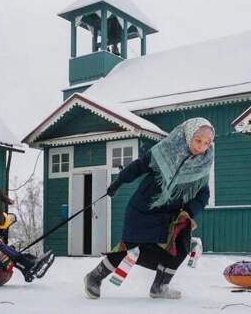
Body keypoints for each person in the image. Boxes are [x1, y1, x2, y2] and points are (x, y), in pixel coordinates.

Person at [84, 118, 215, 300]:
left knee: (181, 245)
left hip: (172, 215)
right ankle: (94, 277)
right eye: (198, 140)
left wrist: (190, 211)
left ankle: (160, 286)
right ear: (187, 136)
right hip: (145, 208)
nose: (202, 147)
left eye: (207, 143)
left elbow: (203, 195)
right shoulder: (164, 150)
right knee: (131, 247)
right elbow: (139, 166)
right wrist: (119, 181)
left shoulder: (204, 164)